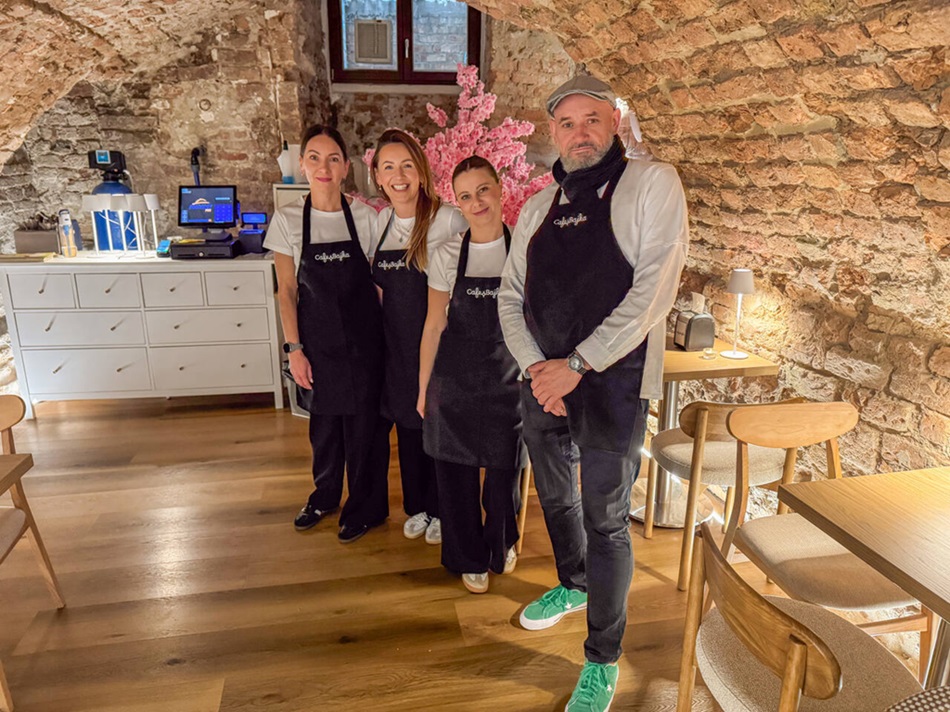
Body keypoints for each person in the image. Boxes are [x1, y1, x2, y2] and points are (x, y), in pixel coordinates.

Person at [498, 76, 689, 711]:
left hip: (614, 384)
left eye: (592, 120)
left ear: (614, 124)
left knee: (606, 520)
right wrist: (538, 369)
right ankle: (574, 584)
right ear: (553, 133)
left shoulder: (653, 184)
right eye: (567, 123)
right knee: (557, 499)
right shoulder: (537, 206)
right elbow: (509, 297)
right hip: (543, 384)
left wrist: (577, 365)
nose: (580, 133)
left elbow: (654, 293)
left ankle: (602, 658)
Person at [266, 124, 390, 544]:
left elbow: (378, 285)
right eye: (315, 158)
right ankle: (324, 497)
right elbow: (286, 290)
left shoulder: (366, 218)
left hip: (365, 343)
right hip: (317, 345)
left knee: (365, 431)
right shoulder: (287, 220)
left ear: (345, 167)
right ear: (303, 165)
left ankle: (365, 508)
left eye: (333, 158)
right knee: (324, 429)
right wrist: (294, 349)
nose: (324, 167)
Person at [418, 156, 526, 595]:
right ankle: (467, 556)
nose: (476, 202)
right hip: (453, 381)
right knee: (455, 477)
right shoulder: (446, 253)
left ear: (500, 189)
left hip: (509, 379)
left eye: (483, 190)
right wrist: (423, 389)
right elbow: (433, 324)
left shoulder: (524, 250)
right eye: (465, 196)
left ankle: (501, 543)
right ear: (458, 204)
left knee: (504, 474)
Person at [370, 129, 468, 546]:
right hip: (395, 347)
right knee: (408, 428)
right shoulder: (382, 221)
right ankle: (419, 506)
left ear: (422, 172)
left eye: (407, 165)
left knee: (439, 430)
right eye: (389, 167)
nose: (399, 176)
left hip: (439, 346)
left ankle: (446, 508)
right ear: (378, 177)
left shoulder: (449, 219)